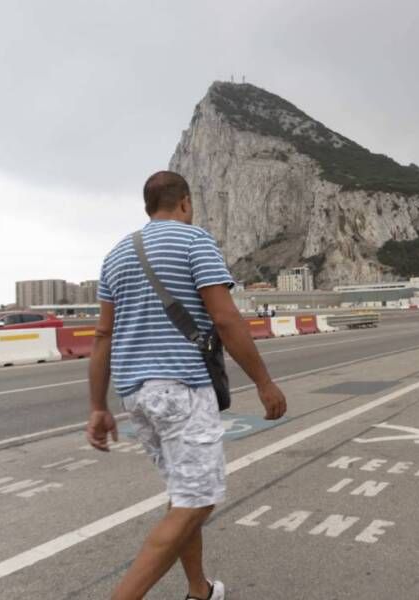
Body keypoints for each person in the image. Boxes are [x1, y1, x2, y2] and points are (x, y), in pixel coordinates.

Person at [86, 171, 287, 600]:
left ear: (147, 207)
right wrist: (264, 382)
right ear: (184, 204)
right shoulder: (194, 241)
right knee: (198, 500)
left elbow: (102, 336)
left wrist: (97, 407)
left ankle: (200, 590)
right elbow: (225, 317)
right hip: (181, 389)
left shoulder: (116, 255)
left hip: (135, 395)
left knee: (183, 496)